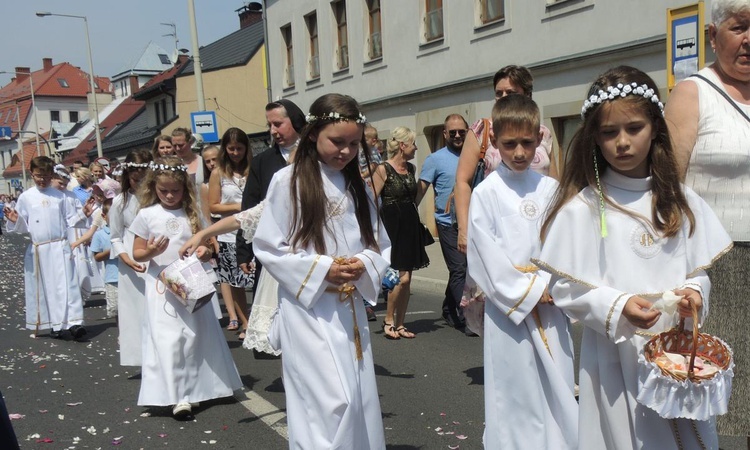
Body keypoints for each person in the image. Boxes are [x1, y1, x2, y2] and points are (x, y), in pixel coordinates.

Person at [534, 66, 732, 449]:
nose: (622, 142)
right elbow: (565, 287)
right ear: (594, 137)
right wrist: (617, 304)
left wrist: (693, 293)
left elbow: (698, 270)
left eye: (634, 128)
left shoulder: (679, 201)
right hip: (614, 357)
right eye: (609, 133)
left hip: (676, 356)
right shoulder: (584, 209)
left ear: (655, 128)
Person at [253, 93, 390, 448]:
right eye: (337, 142)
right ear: (313, 134)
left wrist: (364, 263)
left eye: (354, 144)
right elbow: (268, 246)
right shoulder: (288, 182)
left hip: (348, 308)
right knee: (329, 402)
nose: (345, 151)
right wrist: (321, 270)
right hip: (309, 310)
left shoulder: (357, 185)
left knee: (356, 396)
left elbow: (378, 243)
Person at [467, 95, 577, 449]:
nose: (518, 152)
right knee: (517, 387)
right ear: (495, 142)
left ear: (539, 140)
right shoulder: (487, 192)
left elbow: (565, 242)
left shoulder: (551, 188)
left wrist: (553, 285)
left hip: (551, 303)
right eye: (509, 144)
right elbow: (484, 254)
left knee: (557, 380)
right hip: (510, 310)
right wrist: (528, 291)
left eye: (527, 143)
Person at [665, 1, 750, 442]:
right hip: (720, 263)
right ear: (713, 36)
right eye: (741, 28)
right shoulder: (692, 92)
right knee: (716, 392)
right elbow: (667, 185)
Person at [130, 156, 242, 419]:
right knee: (168, 339)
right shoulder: (147, 215)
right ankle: (176, 395)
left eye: (175, 191)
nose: (169, 196)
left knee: (195, 336)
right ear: (153, 189)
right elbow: (137, 253)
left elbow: (207, 244)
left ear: (185, 189)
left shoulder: (191, 213)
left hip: (190, 280)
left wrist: (203, 250)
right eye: (163, 191)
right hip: (161, 284)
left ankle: (200, 388)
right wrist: (150, 251)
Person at [454, 65, 556, 254]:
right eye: (498, 93)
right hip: (500, 220)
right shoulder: (483, 130)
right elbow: (462, 181)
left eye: (510, 92)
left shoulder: (542, 132)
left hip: (537, 219)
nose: (503, 98)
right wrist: (464, 228)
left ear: (527, 94)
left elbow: (555, 178)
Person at [236, 99, 306, 357]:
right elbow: (251, 206)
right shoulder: (263, 161)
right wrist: (244, 251)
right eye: (270, 125)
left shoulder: (316, 155)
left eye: (278, 123)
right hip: (275, 248)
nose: (274, 130)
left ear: (296, 122)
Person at [3, 156, 87, 340]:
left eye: (47, 176)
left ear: (52, 175)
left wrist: (84, 213)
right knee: (47, 287)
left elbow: (71, 219)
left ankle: (74, 323)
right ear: (32, 174)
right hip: (40, 249)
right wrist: (16, 220)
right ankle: (54, 324)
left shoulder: (60, 196)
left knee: (69, 284)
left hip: (60, 245)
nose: (42, 180)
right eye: (39, 176)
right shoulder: (26, 197)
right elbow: (24, 224)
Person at [372, 126, 429, 339]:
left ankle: (401, 323)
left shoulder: (411, 169)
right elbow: (372, 199)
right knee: (399, 278)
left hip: (409, 224)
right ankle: (388, 320)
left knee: (408, 278)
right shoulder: (383, 169)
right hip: (391, 226)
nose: (416, 148)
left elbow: (414, 197)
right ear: (403, 145)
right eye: (413, 143)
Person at [417, 114, 472, 334]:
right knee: (458, 268)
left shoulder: (475, 155)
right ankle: (466, 317)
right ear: (445, 134)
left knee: (463, 269)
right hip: (448, 223)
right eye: (453, 132)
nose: (457, 135)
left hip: (472, 221)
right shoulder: (435, 159)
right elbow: (421, 189)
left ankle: (449, 308)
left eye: (462, 132)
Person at [208, 128, 254, 339]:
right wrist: (240, 206)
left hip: (254, 231)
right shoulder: (218, 172)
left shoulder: (253, 169)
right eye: (231, 149)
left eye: (239, 148)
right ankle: (245, 322)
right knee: (236, 282)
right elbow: (214, 207)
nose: (235, 153)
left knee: (255, 277)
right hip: (229, 233)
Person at [110, 150, 151, 367]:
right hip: (130, 262)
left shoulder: (157, 198)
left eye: (144, 178)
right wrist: (125, 258)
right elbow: (115, 237)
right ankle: (141, 358)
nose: (140, 183)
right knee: (136, 310)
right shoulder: (120, 201)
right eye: (136, 179)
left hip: (153, 255)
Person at [90, 200, 118, 318]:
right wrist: (112, 251)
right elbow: (97, 257)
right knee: (116, 309)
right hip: (112, 277)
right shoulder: (100, 235)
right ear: (104, 216)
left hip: (129, 276)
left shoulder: (127, 232)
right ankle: (121, 334)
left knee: (130, 309)